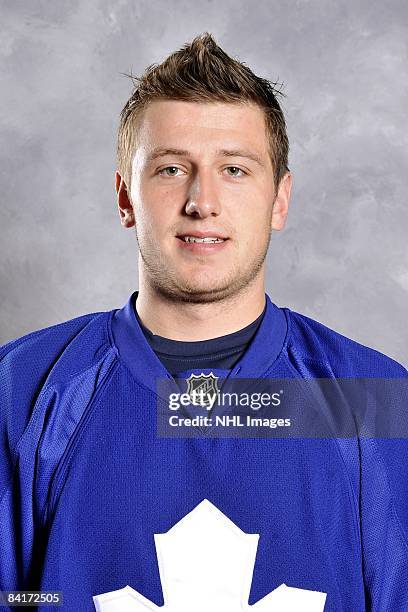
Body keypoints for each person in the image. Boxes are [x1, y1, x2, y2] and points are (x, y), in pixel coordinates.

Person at [1, 32, 407, 612]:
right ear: (125, 198)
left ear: (280, 200)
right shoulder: (23, 389)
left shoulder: (374, 401)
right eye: (170, 169)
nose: (202, 200)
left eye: (235, 170)